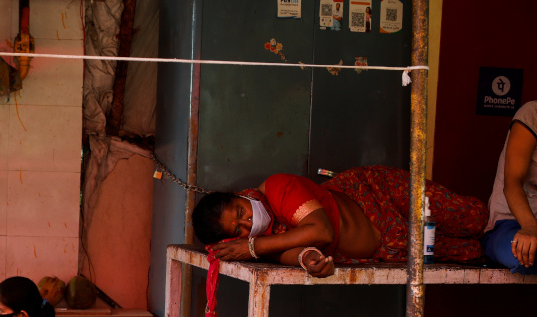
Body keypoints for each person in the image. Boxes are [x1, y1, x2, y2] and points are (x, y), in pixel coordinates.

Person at [193, 166, 489, 278]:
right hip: (393, 247)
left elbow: (321, 231)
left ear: (239, 196)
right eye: (240, 229)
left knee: (474, 220)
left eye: (241, 211)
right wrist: (312, 262)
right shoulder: (266, 242)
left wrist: (253, 246)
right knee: (474, 252)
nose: (248, 221)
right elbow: (298, 252)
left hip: (380, 197)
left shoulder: (277, 188)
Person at [483, 100, 537, 274]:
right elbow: (512, 183)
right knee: (526, 253)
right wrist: (530, 227)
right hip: (512, 225)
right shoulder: (532, 113)